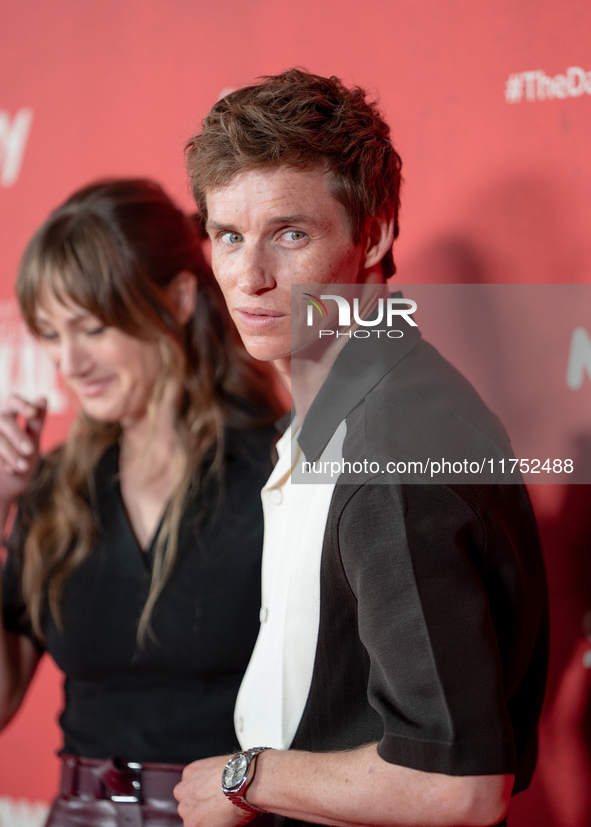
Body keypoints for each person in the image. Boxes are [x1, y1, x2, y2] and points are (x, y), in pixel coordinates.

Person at [174, 69, 549, 827]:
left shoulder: (393, 445)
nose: (250, 276)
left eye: (290, 233)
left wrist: (245, 778)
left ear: (370, 234)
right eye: (228, 236)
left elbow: (458, 783)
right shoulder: (340, 413)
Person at [0, 179, 282, 826]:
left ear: (180, 298)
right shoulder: (53, 487)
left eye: (92, 327)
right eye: (49, 332)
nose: (69, 361)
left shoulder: (278, 471)